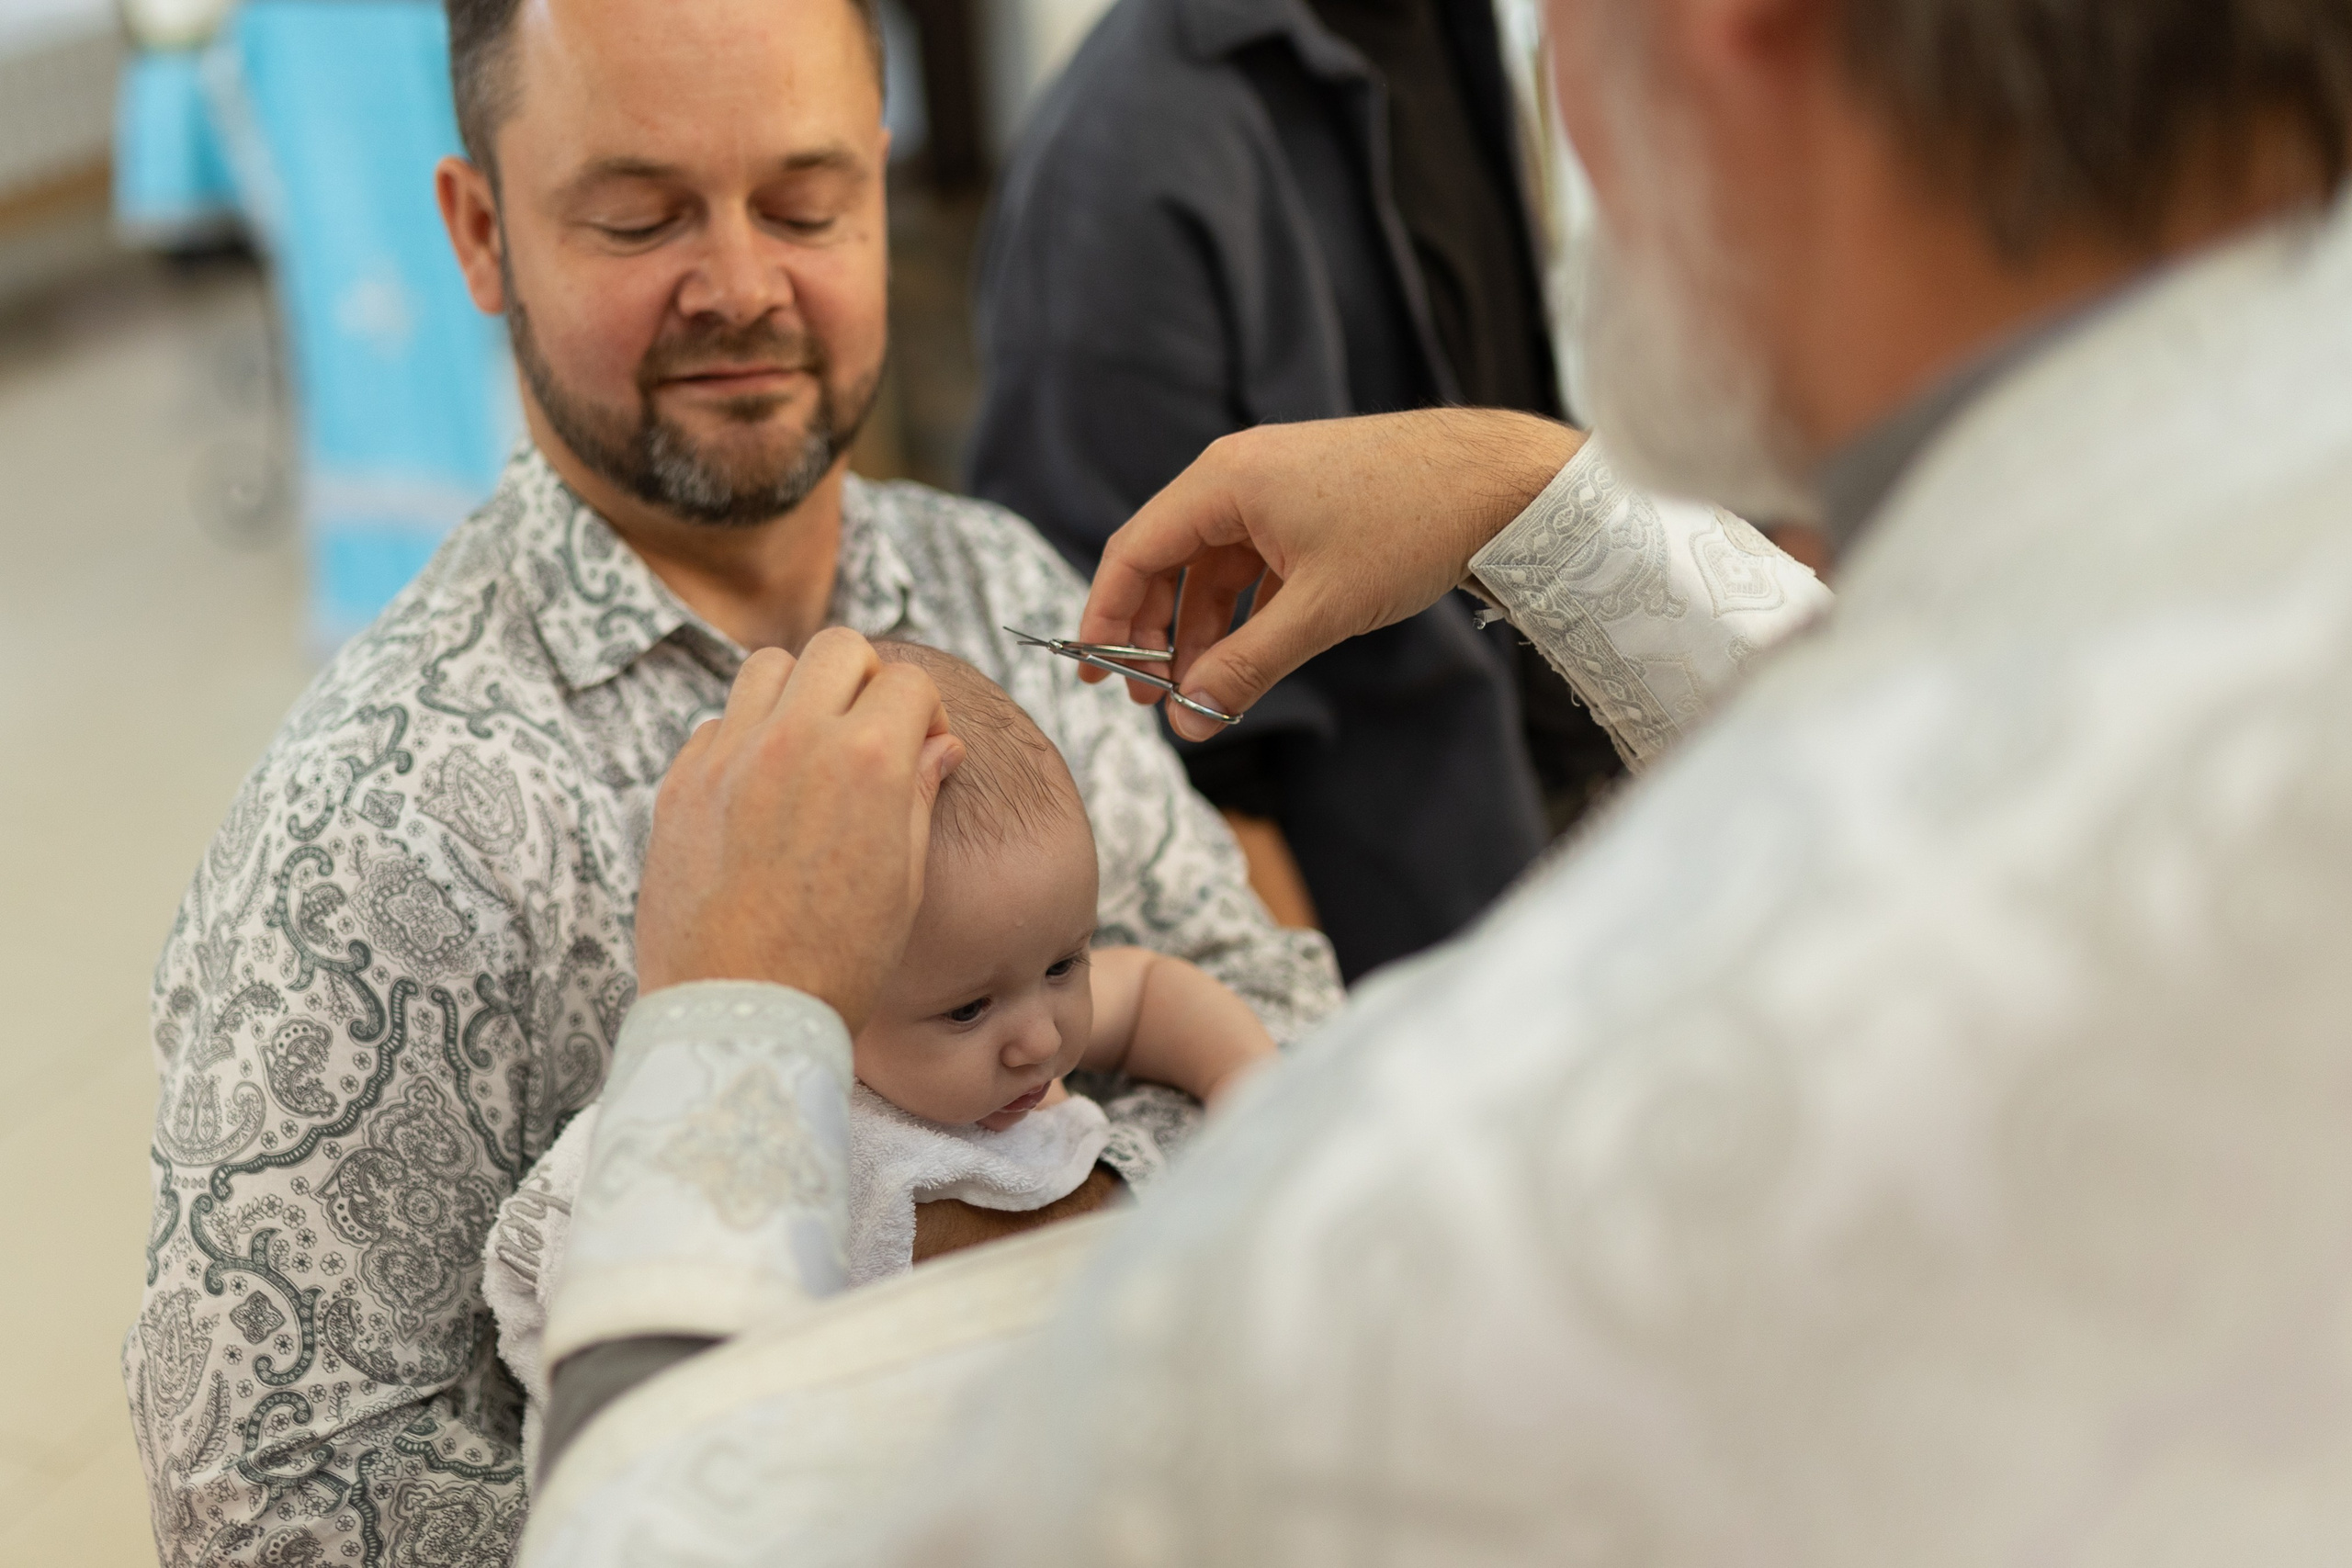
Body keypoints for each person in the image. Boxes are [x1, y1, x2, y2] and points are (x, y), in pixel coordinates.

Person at [507, 0, 2352, 1562]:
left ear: (1726, 27)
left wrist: (734, 1018)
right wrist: (1540, 503)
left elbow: (660, 1528)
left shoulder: (1505, 1187)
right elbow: (1994, 731)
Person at [119, 0, 1339, 1560]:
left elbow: (1261, 998)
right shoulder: (382, 825)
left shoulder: (997, 596)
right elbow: (265, 1511)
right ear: (482, 231)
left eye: (807, 202)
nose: (745, 285)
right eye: (640, 217)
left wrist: (1063, 1247)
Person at [477, 642, 1274, 1476]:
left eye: (1065, 964)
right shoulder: (771, 1136)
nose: (1039, 1038)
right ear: (829, 1000)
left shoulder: (998, 984)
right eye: (968, 1009)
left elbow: (1149, 993)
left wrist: (1252, 1088)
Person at [967, 0, 1625, 978]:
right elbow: (1161, 744)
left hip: (1581, 855)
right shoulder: (1130, 148)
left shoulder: (1456, 35)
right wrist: (1322, 1060)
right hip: (1399, 975)